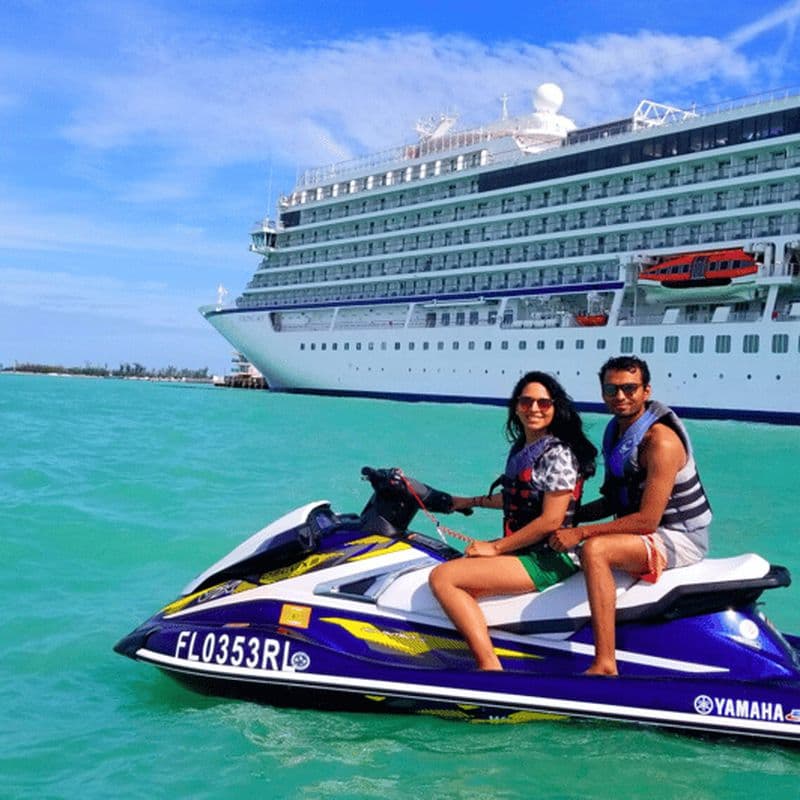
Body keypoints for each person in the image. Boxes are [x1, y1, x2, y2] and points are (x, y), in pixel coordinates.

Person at [549, 356, 712, 676]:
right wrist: (565, 518)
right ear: (603, 393)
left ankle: (605, 663)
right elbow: (614, 500)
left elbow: (647, 520)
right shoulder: (617, 432)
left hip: (680, 537)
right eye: (612, 389)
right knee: (566, 538)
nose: (620, 396)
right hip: (646, 531)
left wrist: (580, 533)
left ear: (646, 391)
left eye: (629, 388)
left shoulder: (660, 442)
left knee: (595, 550)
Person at [428, 371, 597, 670]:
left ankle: (489, 666)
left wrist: (496, 548)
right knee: (463, 562)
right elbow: (518, 497)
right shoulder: (522, 448)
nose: (534, 409)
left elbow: (551, 520)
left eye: (543, 403)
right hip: (525, 549)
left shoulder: (558, 454)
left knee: (443, 577)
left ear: (555, 407)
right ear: (516, 407)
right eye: (526, 402)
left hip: (549, 557)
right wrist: (468, 501)